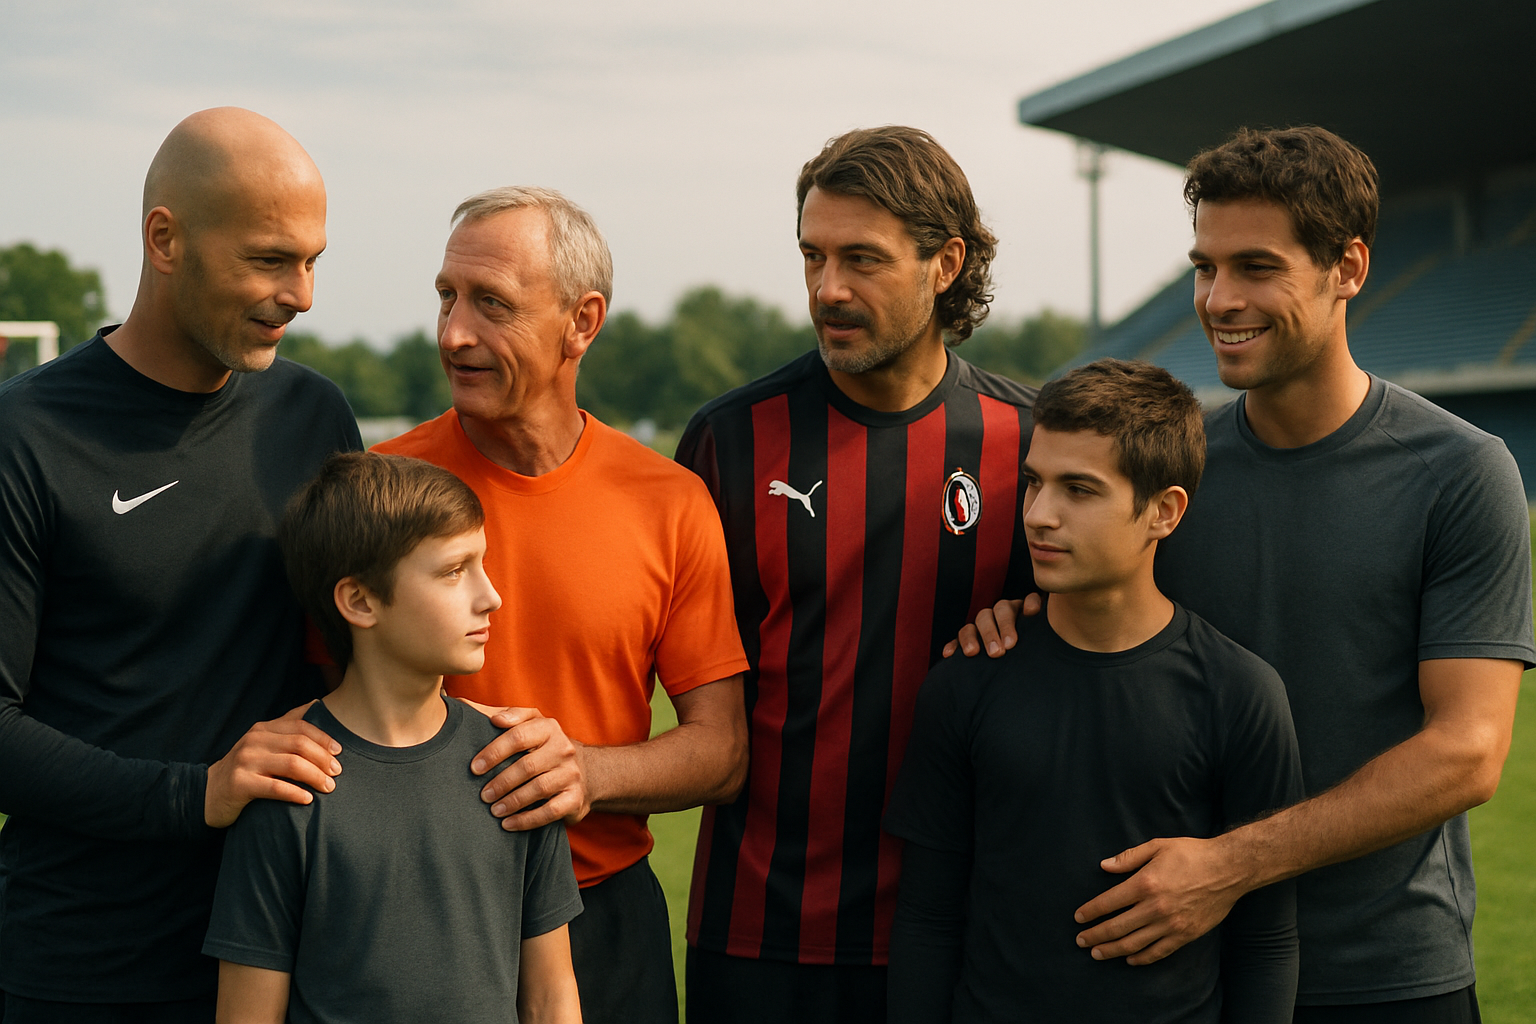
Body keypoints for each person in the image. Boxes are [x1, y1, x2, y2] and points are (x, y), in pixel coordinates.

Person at [952, 126, 1534, 1022]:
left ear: (1348, 267)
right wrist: (1013, 620)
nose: (1219, 299)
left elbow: (1466, 754)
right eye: (1204, 267)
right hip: (1196, 974)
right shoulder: (1170, 478)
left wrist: (1229, 866)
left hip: (1387, 973)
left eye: (1256, 267)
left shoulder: (1459, 471)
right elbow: (1100, 635)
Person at [0, 108, 363, 1020]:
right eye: (271, 259)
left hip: (287, 951)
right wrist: (195, 795)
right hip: (85, 962)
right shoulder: (25, 436)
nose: (304, 293)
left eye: (314, 260)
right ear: (166, 239)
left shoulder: (314, 418)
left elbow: (354, 662)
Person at [674, 126, 1037, 1023]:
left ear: (945, 263)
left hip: (957, 927)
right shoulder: (729, 440)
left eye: (863, 260)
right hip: (755, 930)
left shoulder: (1031, 445)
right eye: (813, 256)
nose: (827, 289)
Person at [374, 186, 750, 1024]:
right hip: (411, 920)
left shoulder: (669, 501)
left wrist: (587, 772)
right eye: (446, 296)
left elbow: (721, 751)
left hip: (604, 928)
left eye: (492, 305)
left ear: (582, 323)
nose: (453, 333)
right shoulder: (383, 492)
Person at [886, 358, 1303, 1023]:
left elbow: (1265, 939)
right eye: (1033, 483)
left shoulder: (1240, 694)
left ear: (1163, 512)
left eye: (1079, 490)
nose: (1040, 515)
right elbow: (929, 922)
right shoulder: (965, 682)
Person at [205, 452, 584, 1024]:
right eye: (454, 571)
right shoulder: (289, 783)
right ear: (359, 601)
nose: (491, 596)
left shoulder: (515, 765)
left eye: (483, 564)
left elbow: (552, 997)